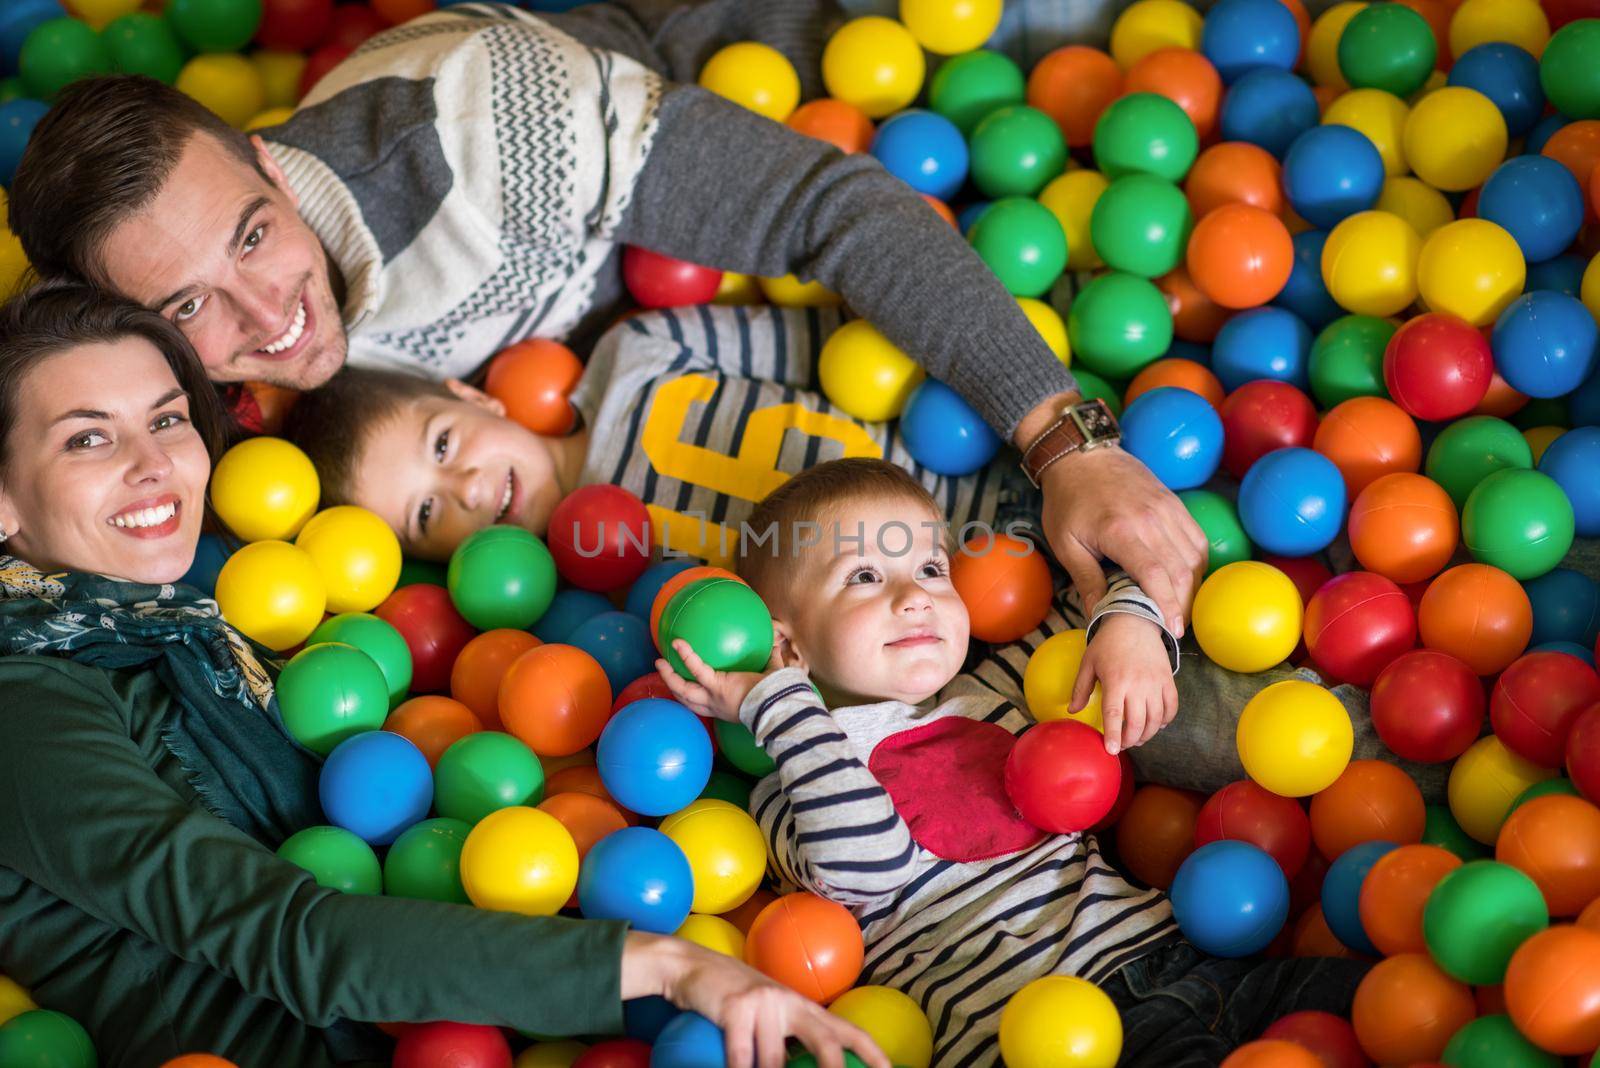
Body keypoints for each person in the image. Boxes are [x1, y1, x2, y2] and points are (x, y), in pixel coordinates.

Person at [7, 0, 1208, 640]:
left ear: (269, 165)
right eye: (187, 307)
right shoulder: (183, 397)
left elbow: (829, 207)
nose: (268, 318)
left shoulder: (474, 127)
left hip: (837, 58)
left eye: (254, 236)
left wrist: (1066, 444)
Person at [0, 283, 886, 1068]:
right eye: (88, 439)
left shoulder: (174, 594)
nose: (154, 465)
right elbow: (292, 935)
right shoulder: (24, 704)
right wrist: (670, 964)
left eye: (166, 419)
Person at [280, 304, 1457, 780]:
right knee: (1161, 725)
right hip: (962, 633)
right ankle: (1398, 747)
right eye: (426, 515)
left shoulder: (635, 352)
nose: (468, 491)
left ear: (468, 392)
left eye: (442, 445)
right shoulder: (625, 587)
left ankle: (1404, 659)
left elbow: (825, 333)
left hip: (997, 488)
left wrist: (1006, 414)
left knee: (1237, 572)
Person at [650, 456, 1371, 1066]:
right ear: (789, 648)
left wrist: (1127, 625)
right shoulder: (789, 782)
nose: (914, 598)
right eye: (865, 578)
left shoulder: (997, 689)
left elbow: (1101, 596)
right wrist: (776, 704)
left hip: (1189, 959)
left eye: (931, 567)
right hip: (1045, 1034)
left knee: (1368, 1007)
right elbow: (861, 865)